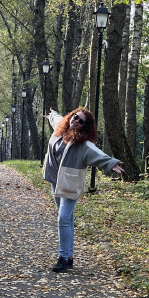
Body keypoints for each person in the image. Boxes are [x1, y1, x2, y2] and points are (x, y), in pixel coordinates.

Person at [43, 107, 124, 273]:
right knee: (66, 219)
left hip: (70, 184)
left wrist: (111, 163)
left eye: (81, 121)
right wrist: (51, 115)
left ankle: (63, 258)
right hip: (55, 180)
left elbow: (97, 153)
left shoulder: (83, 144)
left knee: (63, 218)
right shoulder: (61, 128)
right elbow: (57, 119)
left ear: (85, 127)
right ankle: (69, 257)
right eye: (75, 117)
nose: (76, 121)